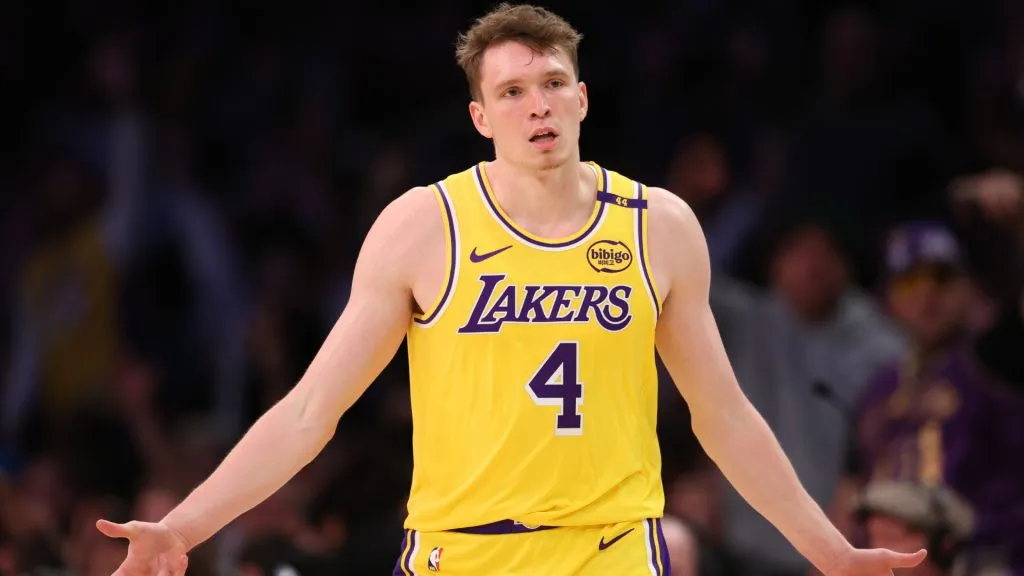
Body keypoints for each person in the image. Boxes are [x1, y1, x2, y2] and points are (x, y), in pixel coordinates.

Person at [96, 4, 928, 575]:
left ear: (583, 97)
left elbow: (725, 415)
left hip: (611, 550)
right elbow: (312, 411)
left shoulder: (658, 225)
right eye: (512, 91)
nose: (538, 106)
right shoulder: (425, 226)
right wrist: (182, 527)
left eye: (553, 83)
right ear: (481, 117)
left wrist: (828, 550)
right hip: (464, 551)